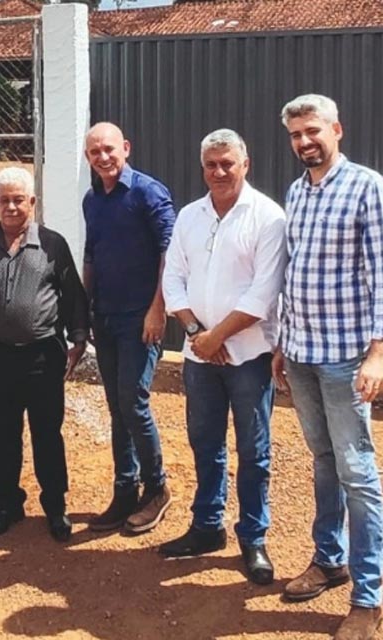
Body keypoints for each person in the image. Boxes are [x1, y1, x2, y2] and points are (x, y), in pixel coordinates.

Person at [275, 94, 383, 640]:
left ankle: (369, 596)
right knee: (322, 461)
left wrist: (378, 352)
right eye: (296, 134)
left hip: (345, 358)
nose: (304, 142)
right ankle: (328, 559)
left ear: (336, 129)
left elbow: (382, 271)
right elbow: (293, 271)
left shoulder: (368, 186)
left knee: (358, 472)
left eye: (312, 131)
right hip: (300, 354)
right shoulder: (296, 192)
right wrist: (280, 345)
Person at [160, 129, 286, 585]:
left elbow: (264, 292)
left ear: (245, 164)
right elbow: (173, 278)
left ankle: (253, 536)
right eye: (211, 165)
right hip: (200, 358)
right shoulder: (191, 216)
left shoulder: (268, 217)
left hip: (249, 356)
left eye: (227, 164)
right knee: (205, 443)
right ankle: (207, 526)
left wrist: (219, 338)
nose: (218, 172)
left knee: (254, 450)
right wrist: (196, 332)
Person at [0, 167, 89, 542]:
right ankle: (7, 507)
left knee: (48, 434)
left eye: (19, 200)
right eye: (4, 200)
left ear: (32, 202)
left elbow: (74, 296)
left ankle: (56, 507)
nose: (11, 207)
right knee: (3, 436)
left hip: (44, 356)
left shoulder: (53, 245)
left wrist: (78, 339)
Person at [82, 122, 175, 534]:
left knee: (133, 402)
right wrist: (84, 308)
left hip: (140, 318)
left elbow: (171, 253)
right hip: (105, 316)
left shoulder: (148, 193)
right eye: (94, 152)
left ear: (126, 148)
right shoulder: (92, 199)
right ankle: (125, 490)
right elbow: (92, 252)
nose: (103, 157)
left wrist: (159, 309)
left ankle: (157, 489)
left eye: (109, 150)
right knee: (117, 405)